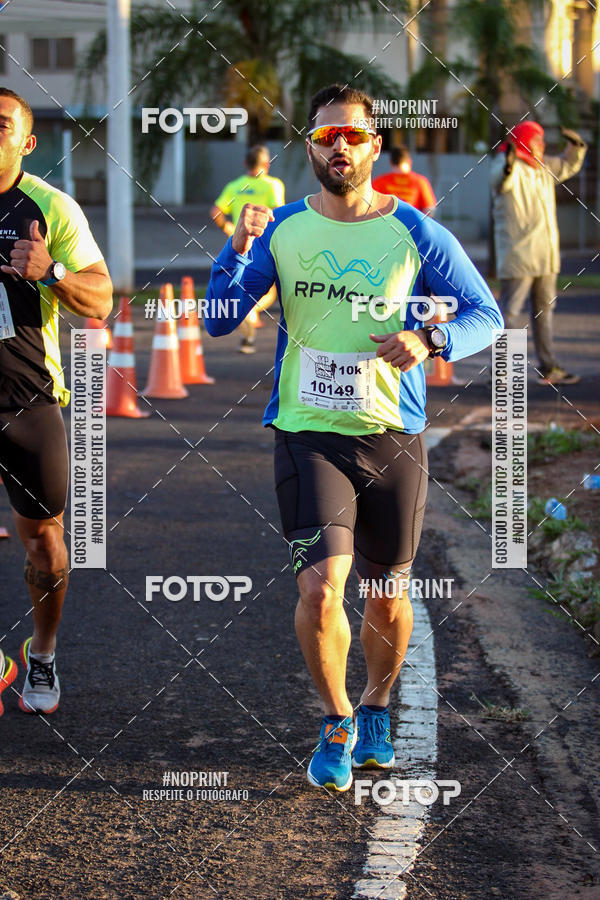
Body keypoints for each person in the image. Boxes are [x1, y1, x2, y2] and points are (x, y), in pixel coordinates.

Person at [205, 84, 502, 792]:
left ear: (374, 144)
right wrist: (236, 248)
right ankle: (336, 718)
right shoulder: (281, 227)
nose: (339, 145)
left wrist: (431, 338)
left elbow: (485, 314)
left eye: (354, 135)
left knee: (387, 594)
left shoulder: (416, 231)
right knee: (319, 589)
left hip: (391, 436)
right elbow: (219, 318)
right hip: (308, 434)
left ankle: (375, 706)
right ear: (309, 146)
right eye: (325, 135)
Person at [0, 88, 113, 715]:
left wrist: (52, 272)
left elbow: (102, 299)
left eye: (1, 125)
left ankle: (41, 654)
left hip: (27, 401)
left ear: (27, 141)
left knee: (44, 542)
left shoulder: (49, 207)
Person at [491, 121, 587, 385]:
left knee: (545, 313)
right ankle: (502, 373)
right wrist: (509, 164)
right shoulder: (507, 165)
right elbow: (501, 180)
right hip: (519, 256)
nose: (542, 145)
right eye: (537, 140)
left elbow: (568, 165)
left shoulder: (543, 167)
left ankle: (549, 367)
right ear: (523, 141)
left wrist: (576, 145)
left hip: (546, 256)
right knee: (510, 314)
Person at [210, 145, 285, 353]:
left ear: (245, 163)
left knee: (240, 287)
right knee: (269, 291)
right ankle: (249, 314)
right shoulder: (273, 185)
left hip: (240, 246)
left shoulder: (235, 186)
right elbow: (278, 215)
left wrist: (229, 229)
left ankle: (247, 327)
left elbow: (215, 212)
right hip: (265, 246)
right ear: (267, 164)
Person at [372, 145, 436, 215]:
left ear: (391, 163)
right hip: (411, 221)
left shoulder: (379, 182)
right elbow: (430, 209)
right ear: (409, 161)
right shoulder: (420, 182)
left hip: (386, 221)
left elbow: (370, 206)